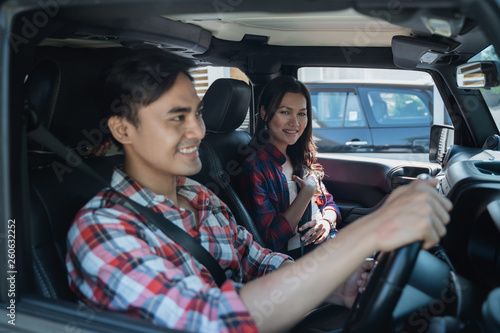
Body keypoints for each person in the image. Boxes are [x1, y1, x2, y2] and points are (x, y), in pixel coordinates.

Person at [66, 46, 452, 333]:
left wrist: (338, 285)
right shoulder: (101, 230)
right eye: (176, 117)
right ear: (122, 130)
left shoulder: (200, 196)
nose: (198, 131)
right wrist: (372, 232)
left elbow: (257, 260)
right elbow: (211, 321)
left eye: (197, 113)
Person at [239, 76, 340, 256]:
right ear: (264, 113)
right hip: (299, 260)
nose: (295, 123)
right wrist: (306, 193)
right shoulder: (256, 167)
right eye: (285, 112)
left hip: (329, 243)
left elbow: (329, 203)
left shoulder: (299, 155)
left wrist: (326, 222)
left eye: (301, 113)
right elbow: (270, 239)